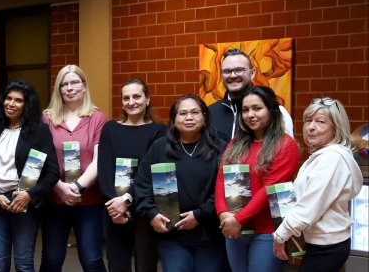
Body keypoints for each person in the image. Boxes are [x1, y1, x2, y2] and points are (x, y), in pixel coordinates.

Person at [134, 95, 225, 272]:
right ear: (174, 119)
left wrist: (200, 215)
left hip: (209, 234)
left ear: (205, 117)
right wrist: (151, 213)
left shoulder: (220, 147)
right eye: (182, 113)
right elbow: (142, 183)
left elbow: (224, 189)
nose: (189, 117)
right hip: (172, 235)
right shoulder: (159, 147)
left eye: (195, 112)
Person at [0, 80, 59, 272]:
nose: (11, 103)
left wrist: (29, 195)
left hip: (24, 203)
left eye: (18, 100)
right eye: (8, 98)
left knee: (23, 264)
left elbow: (52, 172)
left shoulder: (39, 132)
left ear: (27, 105)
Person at [272, 97, 362, 271]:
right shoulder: (321, 156)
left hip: (327, 246)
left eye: (320, 122)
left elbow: (309, 206)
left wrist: (280, 235)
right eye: (308, 121)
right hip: (321, 243)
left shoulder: (331, 158)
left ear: (336, 127)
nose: (311, 127)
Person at [215, 86, 299, 272]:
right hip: (236, 229)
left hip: (267, 231)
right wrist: (223, 215)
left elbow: (270, 189)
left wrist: (238, 219)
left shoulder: (285, 144)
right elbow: (221, 180)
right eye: (245, 110)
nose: (250, 114)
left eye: (257, 108)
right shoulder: (236, 143)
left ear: (271, 110)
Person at [39, 65, 108, 272]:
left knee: (92, 260)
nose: (70, 88)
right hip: (54, 199)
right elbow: (40, 160)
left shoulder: (97, 118)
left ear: (84, 86)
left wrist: (77, 187)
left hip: (89, 201)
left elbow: (99, 160)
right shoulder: (46, 118)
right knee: (51, 260)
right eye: (64, 84)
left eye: (75, 82)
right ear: (59, 89)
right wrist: (59, 187)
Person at [97, 78, 167, 272]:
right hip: (114, 210)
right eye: (126, 98)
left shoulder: (159, 131)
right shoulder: (110, 128)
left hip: (145, 208)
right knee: (117, 265)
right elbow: (104, 169)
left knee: (146, 265)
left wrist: (126, 200)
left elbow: (151, 173)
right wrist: (115, 204)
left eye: (137, 96)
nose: (131, 102)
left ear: (147, 99)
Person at [208, 48, 293, 143]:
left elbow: (286, 150)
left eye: (239, 70)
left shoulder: (275, 111)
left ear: (252, 73)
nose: (233, 76)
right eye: (227, 71)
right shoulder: (208, 113)